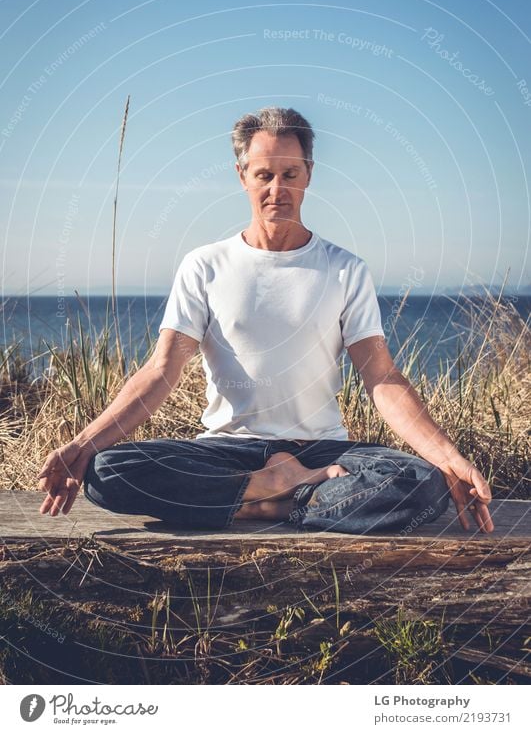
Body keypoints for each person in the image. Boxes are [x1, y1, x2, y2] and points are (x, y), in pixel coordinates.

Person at [38, 107, 494, 534]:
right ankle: (277, 493)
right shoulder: (205, 266)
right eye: (264, 175)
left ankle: (260, 498)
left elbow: (382, 377)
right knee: (106, 470)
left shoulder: (344, 269)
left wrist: (450, 458)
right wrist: (82, 444)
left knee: (420, 480)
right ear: (242, 176)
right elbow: (161, 372)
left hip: (322, 450)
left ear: (309, 174)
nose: (277, 190)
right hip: (225, 451)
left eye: (290, 174)